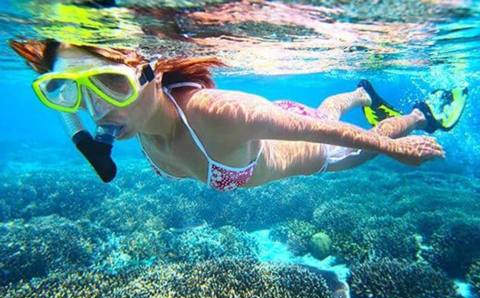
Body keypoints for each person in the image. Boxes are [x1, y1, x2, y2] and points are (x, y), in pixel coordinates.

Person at [9, 39, 468, 192]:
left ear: (149, 75)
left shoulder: (210, 113)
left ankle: (419, 114)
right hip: (280, 126)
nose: (98, 109)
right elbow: (74, 109)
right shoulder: (132, 120)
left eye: (113, 83)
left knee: (350, 139)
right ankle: (359, 90)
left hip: (313, 148)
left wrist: (395, 148)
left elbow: (317, 130)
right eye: (76, 92)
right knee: (322, 107)